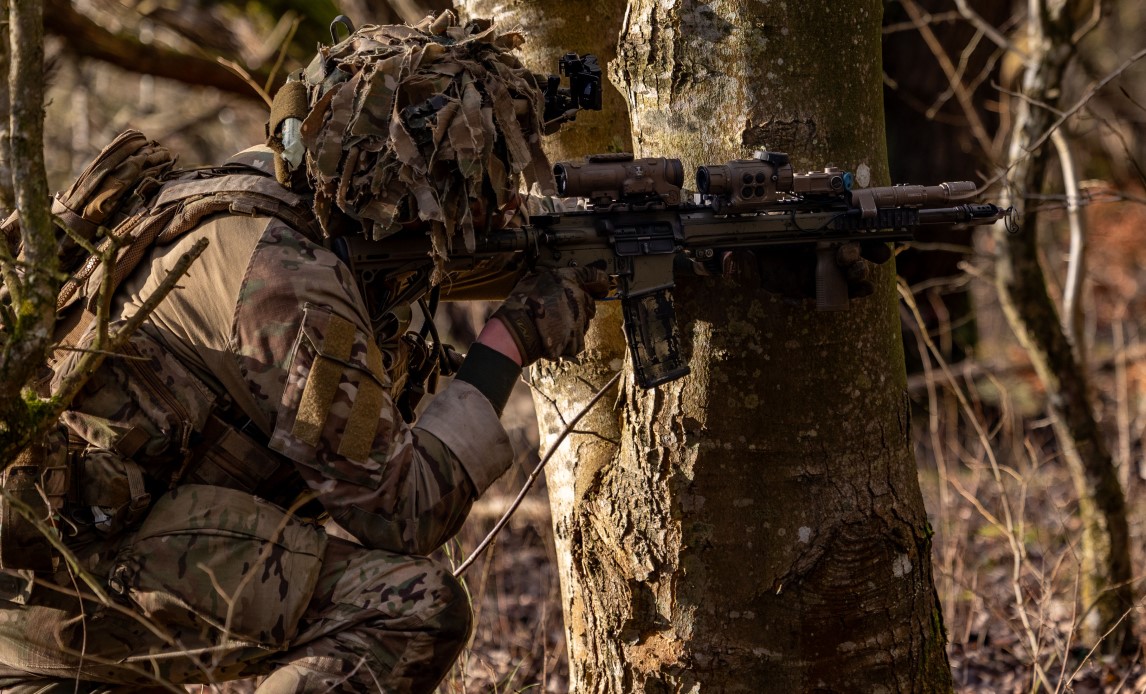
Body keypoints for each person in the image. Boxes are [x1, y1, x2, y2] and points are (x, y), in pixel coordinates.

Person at [0, 14, 607, 693]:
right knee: (412, 608)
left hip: (61, 580)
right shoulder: (286, 280)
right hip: (61, 612)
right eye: (480, 187)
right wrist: (509, 341)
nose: (494, 212)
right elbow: (401, 512)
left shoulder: (253, 192)